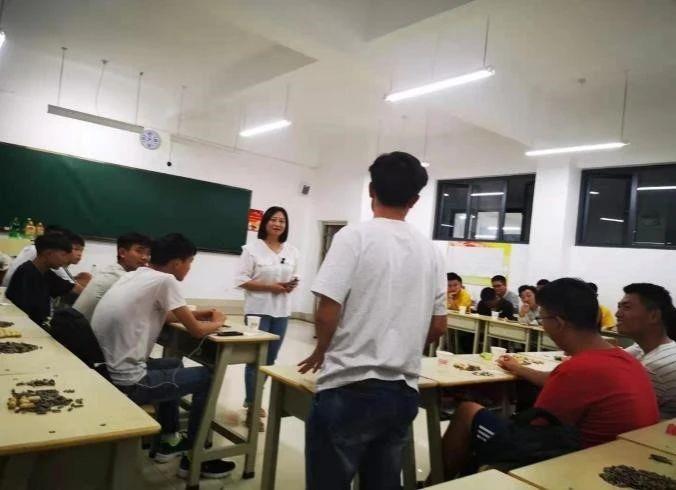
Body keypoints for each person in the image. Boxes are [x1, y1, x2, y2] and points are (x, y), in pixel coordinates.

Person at [298, 151, 447, 490]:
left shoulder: (353, 237)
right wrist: (403, 344)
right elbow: (439, 326)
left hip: (349, 386)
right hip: (402, 391)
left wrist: (322, 349)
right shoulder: (431, 251)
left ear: (371, 191)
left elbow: (327, 308)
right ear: (415, 200)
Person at [439, 278, 659, 480]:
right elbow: (561, 384)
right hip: (629, 463)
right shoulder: (625, 359)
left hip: (583, 468)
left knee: (468, 412)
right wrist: (518, 369)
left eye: (542, 318)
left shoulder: (577, 369)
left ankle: (438, 482)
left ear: (559, 322)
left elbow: (535, 432)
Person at [91, 233, 235, 479]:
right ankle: (195, 458)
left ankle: (168, 441)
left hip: (104, 371)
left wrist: (200, 313)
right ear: (177, 262)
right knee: (209, 377)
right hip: (129, 382)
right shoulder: (166, 280)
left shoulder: (136, 274)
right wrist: (219, 321)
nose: (189, 268)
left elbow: (166, 314)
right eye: (190, 262)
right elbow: (197, 331)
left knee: (174, 363)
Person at [235, 206, 300, 430]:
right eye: (273, 219)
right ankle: (253, 407)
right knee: (255, 359)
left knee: (270, 361)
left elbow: (294, 275)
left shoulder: (292, 251)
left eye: (282, 220)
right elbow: (241, 280)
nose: (278, 224)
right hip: (258, 310)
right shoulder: (251, 250)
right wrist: (271, 287)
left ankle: (251, 398)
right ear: (265, 223)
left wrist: (292, 284)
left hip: (281, 311)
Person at [616, 283, 676, 420]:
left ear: (653, 316)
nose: (617, 314)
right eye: (619, 307)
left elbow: (624, 415)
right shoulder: (643, 348)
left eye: (626, 307)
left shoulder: (653, 367)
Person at [73, 232, 152, 321]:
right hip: (80, 328)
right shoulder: (121, 277)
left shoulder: (114, 270)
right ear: (122, 252)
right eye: (139, 251)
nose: (145, 257)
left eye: (148, 253)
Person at [5, 233, 80, 326]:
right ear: (48, 254)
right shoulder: (26, 273)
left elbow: (69, 288)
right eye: (63, 255)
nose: (66, 260)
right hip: (25, 325)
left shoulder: (45, 272)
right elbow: (26, 312)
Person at [2, 227, 91, 290]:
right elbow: (72, 287)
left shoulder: (43, 267)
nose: (79, 254)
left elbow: (67, 284)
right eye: (75, 249)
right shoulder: (31, 268)